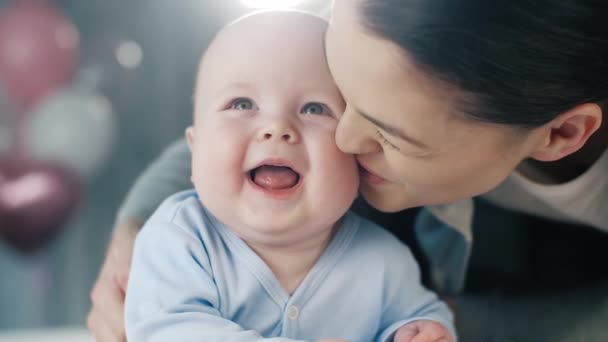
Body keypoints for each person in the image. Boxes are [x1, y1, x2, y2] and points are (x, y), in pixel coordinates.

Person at [87, 0, 608, 340]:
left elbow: (417, 313)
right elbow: (233, 128)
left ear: (561, 134)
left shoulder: (378, 261)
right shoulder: (378, 20)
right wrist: (135, 230)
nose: (341, 138)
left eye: (388, 133)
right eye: (340, 91)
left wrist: (427, 326)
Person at [124, 11, 455, 342]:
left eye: (314, 109)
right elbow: (167, 331)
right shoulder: (179, 238)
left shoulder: (384, 260)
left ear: (359, 160)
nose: (277, 128)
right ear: (194, 151)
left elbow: (423, 314)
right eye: (241, 103)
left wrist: (415, 331)